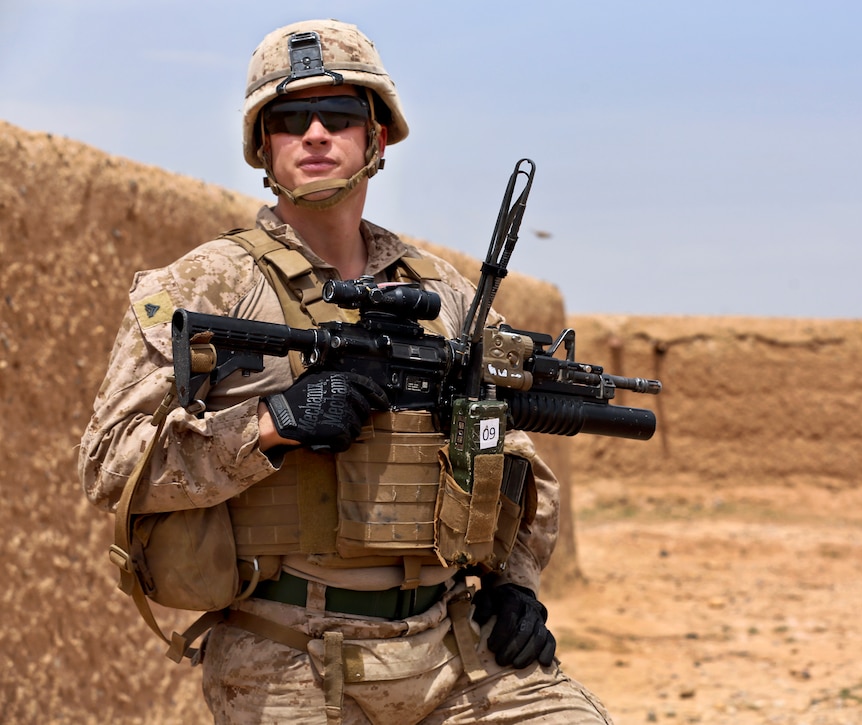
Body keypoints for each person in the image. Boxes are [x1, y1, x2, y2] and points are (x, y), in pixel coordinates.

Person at [79, 18, 612, 724]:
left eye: (339, 115)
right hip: (286, 656)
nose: (316, 134)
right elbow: (107, 466)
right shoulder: (204, 286)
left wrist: (513, 583)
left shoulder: (444, 293)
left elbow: (513, 454)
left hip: (450, 646)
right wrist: (272, 425)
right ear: (262, 145)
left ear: (376, 138)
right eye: (290, 118)